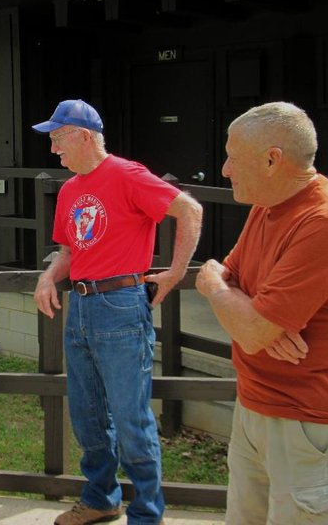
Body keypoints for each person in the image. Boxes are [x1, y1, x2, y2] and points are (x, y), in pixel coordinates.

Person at [32, 99, 203, 525]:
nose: (54, 149)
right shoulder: (70, 189)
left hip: (121, 305)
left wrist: (176, 272)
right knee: (87, 415)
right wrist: (48, 276)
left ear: (85, 136)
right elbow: (70, 249)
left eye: (58, 138)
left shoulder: (127, 174)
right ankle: (101, 498)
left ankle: (146, 513)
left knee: (130, 417)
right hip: (81, 307)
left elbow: (190, 209)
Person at [195, 102, 328, 524]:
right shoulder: (267, 207)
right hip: (255, 408)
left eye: (233, 155)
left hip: (309, 426)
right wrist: (240, 301)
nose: (225, 169)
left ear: (272, 159)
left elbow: (248, 325)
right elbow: (235, 284)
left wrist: (217, 288)